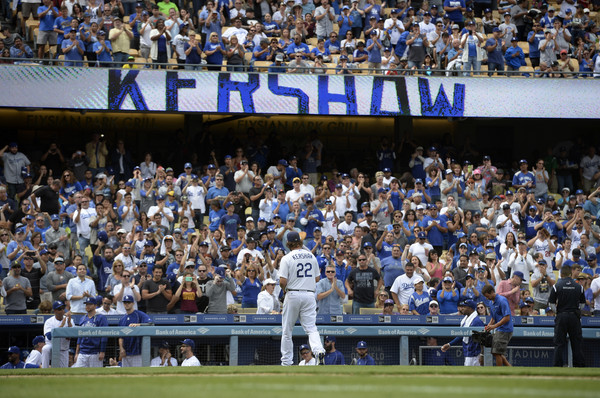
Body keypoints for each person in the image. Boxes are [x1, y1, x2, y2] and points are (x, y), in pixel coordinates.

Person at [279, 231, 325, 366]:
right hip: (309, 294)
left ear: (288, 243)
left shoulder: (287, 258)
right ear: (300, 241)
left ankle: (286, 362)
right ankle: (318, 350)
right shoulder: (311, 256)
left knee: (287, 331)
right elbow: (317, 278)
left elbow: (282, 281)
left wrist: (284, 291)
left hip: (293, 293)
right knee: (311, 328)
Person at [548, 265, 585, 367]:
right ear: (570, 273)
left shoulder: (557, 286)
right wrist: (576, 310)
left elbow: (551, 303)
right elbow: (582, 304)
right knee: (576, 343)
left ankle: (557, 366)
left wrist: (558, 312)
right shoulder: (579, 286)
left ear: (561, 274)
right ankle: (579, 366)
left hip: (562, 316)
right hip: (574, 317)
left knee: (559, 343)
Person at [441, 299, 485, 366]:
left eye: (464, 307)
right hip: (468, 353)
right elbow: (461, 335)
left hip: (475, 355)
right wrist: (449, 344)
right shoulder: (465, 321)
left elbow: (482, 339)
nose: (462, 309)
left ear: (470, 308)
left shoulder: (476, 321)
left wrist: (482, 355)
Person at [482, 284, 513, 367]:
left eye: (487, 296)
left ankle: (498, 371)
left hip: (505, 329)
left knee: (496, 352)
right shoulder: (490, 303)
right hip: (499, 329)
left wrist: (494, 326)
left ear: (492, 292)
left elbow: (507, 317)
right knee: (497, 352)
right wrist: (488, 326)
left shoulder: (502, 300)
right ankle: (510, 368)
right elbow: (493, 318)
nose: (486, 298)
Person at [73, 297, 108, 368]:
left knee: (96, 375)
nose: (87, 306)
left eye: (90, 304)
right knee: (78, 374)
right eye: (86, 304)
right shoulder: (82, 318)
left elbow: (104, 336)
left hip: (95, 352)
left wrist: (102, 351)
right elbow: (79, 337)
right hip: (82, 352)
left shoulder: (101, 317)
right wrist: (77, 353)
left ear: (95, 306)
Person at [118, 294, 152, 367]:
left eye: (128, 302)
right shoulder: (122, 319)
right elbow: (120, 336)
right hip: (125, 353)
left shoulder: (139, 314)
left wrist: (139, 325)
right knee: (125, 375)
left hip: (137, 353)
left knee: (138, 374)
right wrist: (121, 348)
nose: (126, 304)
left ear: (133, 303)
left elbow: (150, 324)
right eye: (125, 302)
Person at [41, 300, 73, 368]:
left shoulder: (69, 320)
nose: (62, 310)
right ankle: (44, 370)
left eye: (62, 308)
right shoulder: (49, 321)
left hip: (63, 349)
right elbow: (49, 336)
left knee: (63, 372)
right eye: (59, 309)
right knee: (45, 349)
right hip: (51, 347)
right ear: (55, 311)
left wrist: (69, 324)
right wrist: (61, 326)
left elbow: (72, 336)